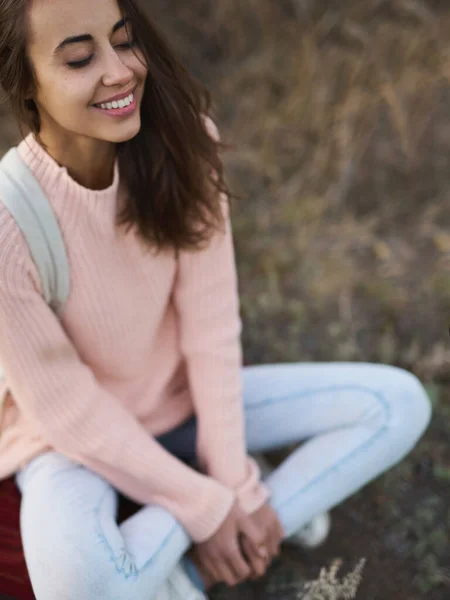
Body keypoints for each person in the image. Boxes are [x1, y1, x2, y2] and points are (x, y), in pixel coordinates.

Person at [0, 0, 432, 599]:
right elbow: (69, 409)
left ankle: (192, 565)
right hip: (71, 443)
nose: (120, 71)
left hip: (180, 406)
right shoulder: (9, 220)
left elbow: (210, 328)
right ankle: (222, 534)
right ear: (25, 86)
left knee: (397, 405)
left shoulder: (183, 142)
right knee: (77, 586)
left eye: (124, 41)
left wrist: (233, 481)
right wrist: (207, 506)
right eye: (79, 57)